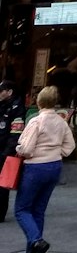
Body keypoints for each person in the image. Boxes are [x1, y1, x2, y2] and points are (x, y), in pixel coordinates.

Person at [14, 84, 75, 253]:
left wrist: (19, 149)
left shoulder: (35, 121)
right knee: (38, 210)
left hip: (35, 167)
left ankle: (36, 241)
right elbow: (70, 146)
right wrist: (58, 153)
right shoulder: (61, 122)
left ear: (39, 102)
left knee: (22, 209)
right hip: (54, 165)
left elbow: (26, 148)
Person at [0, 79, 26, 223]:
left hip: (5, 150)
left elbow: (16, 133)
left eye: (1, 91)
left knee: (2, 184)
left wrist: (7, 153)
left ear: (9, 92)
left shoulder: (17, 107)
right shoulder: (1, 105)